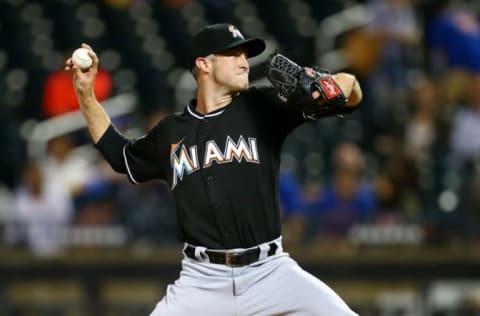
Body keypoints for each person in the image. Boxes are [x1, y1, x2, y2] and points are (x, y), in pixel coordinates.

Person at [65, 23, 362, 316]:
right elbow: (121, 156)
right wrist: (86, 95)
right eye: (234, 55)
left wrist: (332, 86)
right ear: (204, 64)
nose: (244, 63)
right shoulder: (170, 132)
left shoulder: (262, 106)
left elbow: (353, 89)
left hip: (270, 272)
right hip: (201, 281)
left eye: (246, 55)